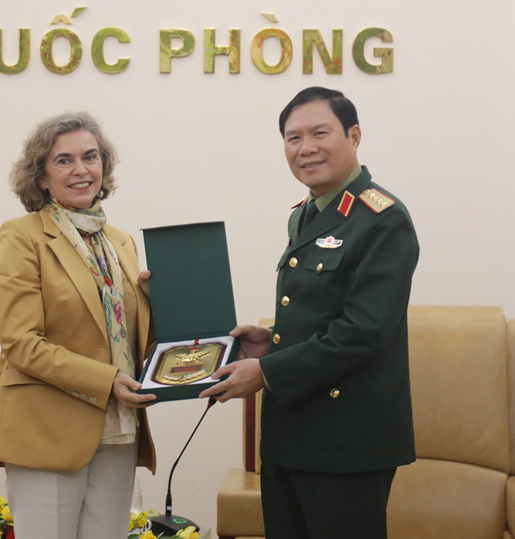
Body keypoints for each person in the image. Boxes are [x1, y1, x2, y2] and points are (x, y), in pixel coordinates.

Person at [200, 87, 419, 539]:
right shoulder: (306, 214)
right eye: (292, 138)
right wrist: (269, 340)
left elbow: (364, 331)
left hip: (347, 442)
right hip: (291, 434)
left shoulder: (383, 218)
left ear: (354, 136)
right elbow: (319, 312)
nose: (306, 148)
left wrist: (266, 371)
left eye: (320, 133)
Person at [0, 112, 157, 539]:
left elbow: (133, 345)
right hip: (47, 429)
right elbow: (21, 343)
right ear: (40, 176)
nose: (81, 170)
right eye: (64, 160)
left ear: (104, 166)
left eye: (90, 157)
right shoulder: (22, 236)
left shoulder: (122, 242)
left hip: (117, 428)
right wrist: (107, 380)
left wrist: (161, 308)